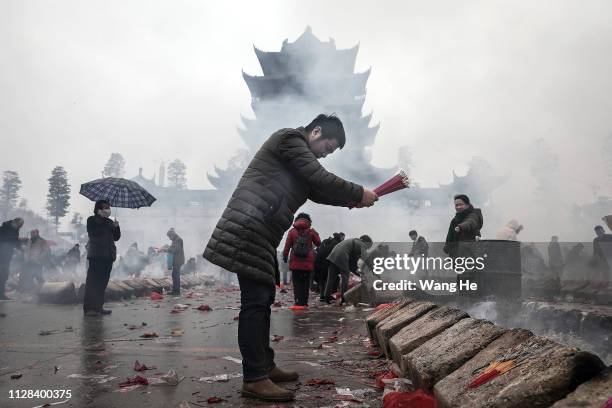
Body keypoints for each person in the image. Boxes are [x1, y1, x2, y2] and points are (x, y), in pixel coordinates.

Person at [203, 114, 378, 402]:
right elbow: (319, 178)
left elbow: (317, 190)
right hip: (249, 227)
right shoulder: (290, 139)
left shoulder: (297, 157)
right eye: (328, 148)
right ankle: (254, 378)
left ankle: (264, 366)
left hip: (259, 229)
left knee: (262, 301)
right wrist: (359, 192)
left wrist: (352, 200)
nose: (325, 154)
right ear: (316, 131)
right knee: (255, 303)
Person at [83, 200, 120, 316]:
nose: (107, 210)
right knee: (93, 282)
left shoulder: (110, 222)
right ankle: (89, 309)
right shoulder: (92, 220)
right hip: (96, 255)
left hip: (108, 256)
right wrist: (103, 221)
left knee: (102, 283)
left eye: (108, 207)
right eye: (104, 207)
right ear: (98, 209)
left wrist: (117, 227)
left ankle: (98, 307)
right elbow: (93, 232)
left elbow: (116, 237)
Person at [282, 213, 321, 307]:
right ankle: (304, 302)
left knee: (297, 283)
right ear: (308, 221)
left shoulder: (292, 231)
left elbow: (287, 246)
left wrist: (285, 256)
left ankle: (298, 301)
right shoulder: (311, 232)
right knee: (305, 283)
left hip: (295, 262)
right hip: (307, 263)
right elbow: (319, 243)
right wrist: (315, 233)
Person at [323, 235, 374, 304]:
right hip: (342, 255)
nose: (367, 249)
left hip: (333, 255)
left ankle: (326, 297)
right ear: (366, 242)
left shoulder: (353, 242)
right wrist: (374, 269)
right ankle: (344, 298)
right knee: (345, 276)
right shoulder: (361, 244)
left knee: (331, 277)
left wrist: (359, 274)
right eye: (368, 246)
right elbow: (366, 259)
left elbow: (352, 266)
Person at [313, 232, 344, 298]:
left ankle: (322, 295)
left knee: (322, 279)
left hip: (319, 264)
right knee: (331, 279)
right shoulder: (337, 246)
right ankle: (329, 294)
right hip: (327, 264)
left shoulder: (327, 243)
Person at [0, 217, 24, 300]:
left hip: (7, 256)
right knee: (2, 274)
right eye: (19, 225)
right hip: (1, 255)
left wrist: (20, 246)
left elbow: (15, 242)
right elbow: (6, 240)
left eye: (20, 226)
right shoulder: (3, 229)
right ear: (14, 222)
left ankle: (1, 294)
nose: (19, 227)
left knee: (4, 275)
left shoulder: (15, 231)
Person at [162, 228, 184, 295]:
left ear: (172, 235)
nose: (169, 238)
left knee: (176, 276)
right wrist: (164, 249)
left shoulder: (178, 240)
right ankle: (175, 290)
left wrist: (164, 250)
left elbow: (173, 250)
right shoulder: (175, 240)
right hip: (176, 260)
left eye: (169, 237)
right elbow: (171, 249)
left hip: (178, 260)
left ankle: (176, 292)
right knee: (174, 275)